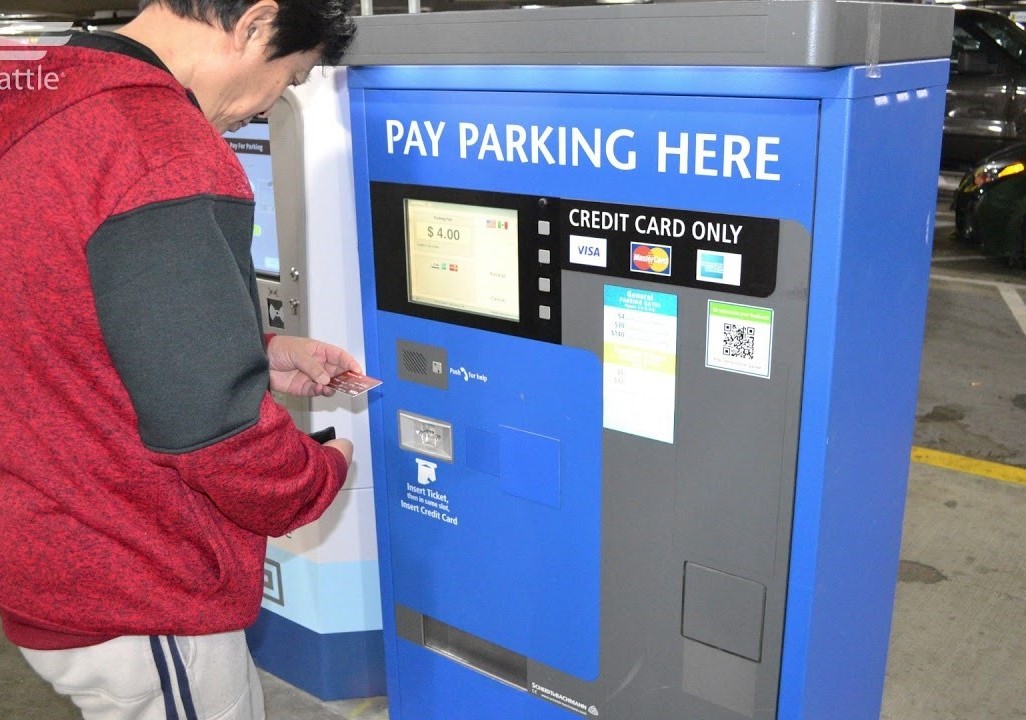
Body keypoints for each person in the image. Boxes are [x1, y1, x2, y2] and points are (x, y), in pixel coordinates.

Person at [0, 1, 357, 718]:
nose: (266, 107)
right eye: (287, 78)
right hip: (132, 578)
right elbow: (212, 429)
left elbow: (46, 310)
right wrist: (316, 476)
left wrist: (247, 350)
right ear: (256, 25)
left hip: (44, 541)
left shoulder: (36, 96)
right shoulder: (160, 145)